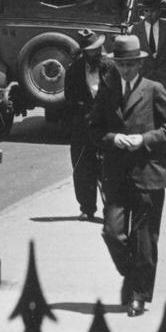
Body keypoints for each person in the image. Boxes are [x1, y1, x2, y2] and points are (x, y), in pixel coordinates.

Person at [88, 32, 166, 317]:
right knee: (113, 233)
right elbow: (93, 129)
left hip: (148, 173)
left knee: (144, 238)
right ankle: (133, 276)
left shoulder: (154, 89)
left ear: (139, 65)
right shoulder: (107, 90)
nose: (126, 69)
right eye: (121, 64)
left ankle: (139, 294)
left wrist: (145, 140)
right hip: (116, 174)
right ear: (115, 64)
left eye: (131, 64)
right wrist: (113, 138)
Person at [60, 29, 110, 220]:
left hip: (105, 125)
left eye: (98, 49)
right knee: (82, 168)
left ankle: (111, 208)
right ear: (84, 52)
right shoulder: (74, 71)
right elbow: (69, 98)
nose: (96, 53)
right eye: (91, 50)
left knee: (107, 168)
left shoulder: (110, 67)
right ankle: (87, 208)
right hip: (82, 126)